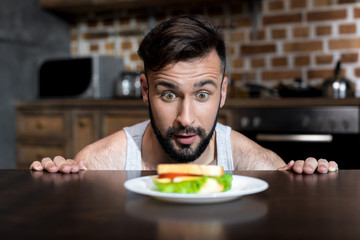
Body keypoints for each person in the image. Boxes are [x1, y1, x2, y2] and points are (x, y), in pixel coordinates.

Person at [30, 15, 338, 174]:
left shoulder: (258, 165)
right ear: (145, 90)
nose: (185, 119)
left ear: (224, 93)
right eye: (168, 95)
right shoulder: (99, 164)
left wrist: (309, 179)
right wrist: (55, 185)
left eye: (202, 95)